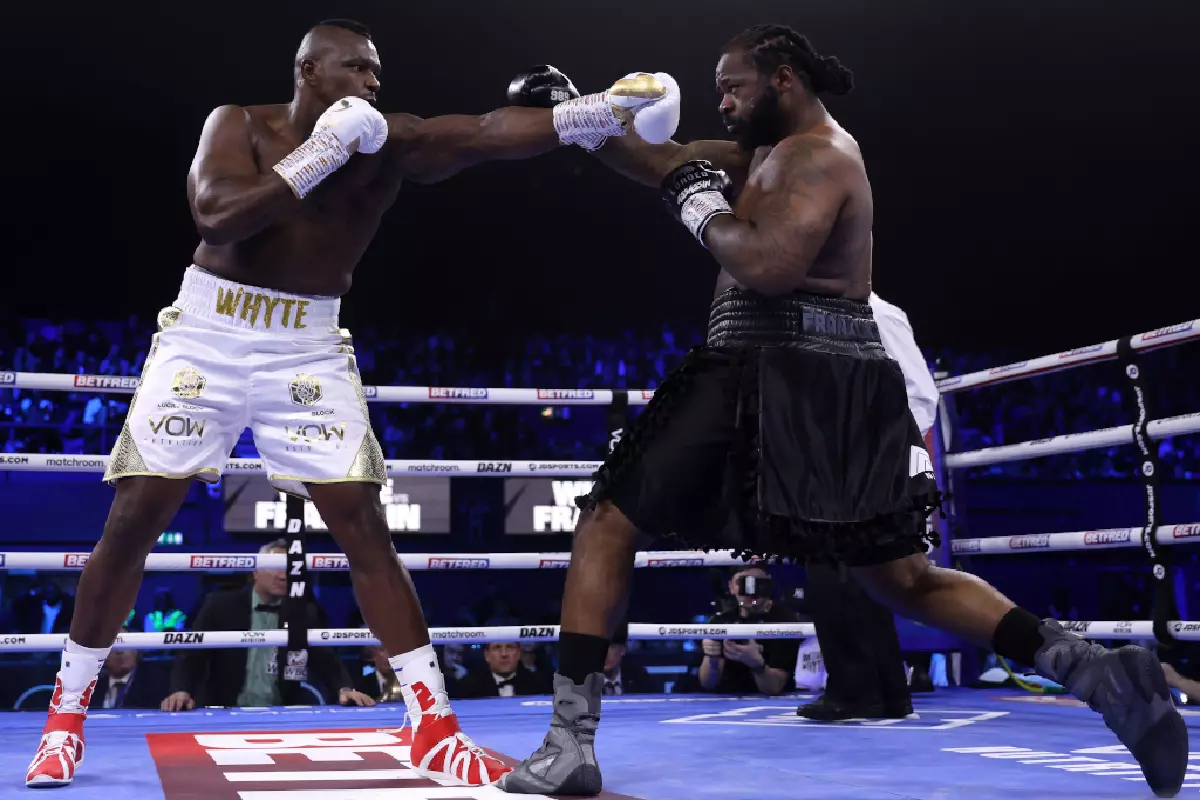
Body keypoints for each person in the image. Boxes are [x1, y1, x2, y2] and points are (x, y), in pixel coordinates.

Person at [497, 25, 1188, 797]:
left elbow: (764, 263)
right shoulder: (770, 151)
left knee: (605, 519)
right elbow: (665, 162)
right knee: (900, 579)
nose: (722, 102)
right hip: (835, 378)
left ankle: (567, 745)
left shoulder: (822, 157)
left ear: (784, 78)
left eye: (733, 86)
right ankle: (1094, 672)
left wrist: (693, 203)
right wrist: (577, 116)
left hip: (766, 363)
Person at [25, 18, 679, 789]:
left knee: (362, 522)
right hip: (208, 333)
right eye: (357, 69)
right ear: (308, 70)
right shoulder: (239, 124)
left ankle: (433, 726)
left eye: (377, 72)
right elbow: (216, 215)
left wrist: (595, 109)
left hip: (306, 344)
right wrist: (318, 155)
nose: (373, 83)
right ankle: (64, 722)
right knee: (133, 520)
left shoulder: (390, 142)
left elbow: (485, 133)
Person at [798, 291, 936, 721]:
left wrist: (885, 451)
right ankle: (877, 692)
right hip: (832, 462)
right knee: (841, 576)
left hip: (873, 462)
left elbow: (922, 394)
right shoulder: (814, 317)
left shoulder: (881, 314)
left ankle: (864, 692)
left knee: (858, 577)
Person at [159, 540, 373, 710]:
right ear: (255, 572)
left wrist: (344, 689)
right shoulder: (220, 605)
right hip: (224, 708)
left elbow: (327, 660)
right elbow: (192, 654)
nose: (284, 574)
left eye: (290, 568)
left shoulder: (304, 612)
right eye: (277, 567)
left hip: (281, 713)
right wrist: (182, 690)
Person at [697, 567, 798, 696]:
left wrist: (757, 665)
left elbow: (774, 688)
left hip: (772, 702)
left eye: (757, 583)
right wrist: (711, 657)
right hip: (727, 700)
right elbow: (708, 683)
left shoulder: (785, 621)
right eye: (743, 583)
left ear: (768, 586)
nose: (750, 590)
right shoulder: (721, 620)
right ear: (731, 586)